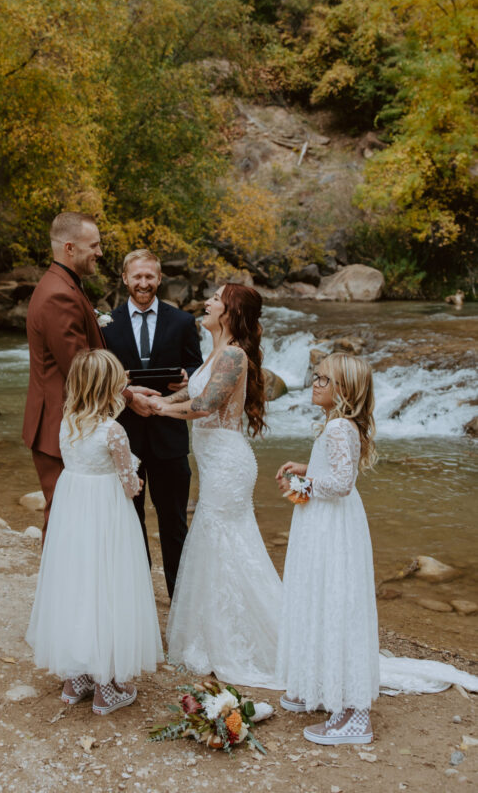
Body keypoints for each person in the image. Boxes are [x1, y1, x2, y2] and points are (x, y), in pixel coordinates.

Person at [149, 283, 282, 686]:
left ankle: (238, 640)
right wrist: (160, 401)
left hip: (227, 462)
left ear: (229, 311)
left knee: (223, 542)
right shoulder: (217, 352)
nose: (206, 302)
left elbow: (205, 405)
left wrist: (159, 409)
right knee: (215, 543)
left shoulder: (233, 354)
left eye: (215, 298)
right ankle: (216, 633)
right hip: (215, 461)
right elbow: (196, 394)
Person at [25, 349, 163, 715]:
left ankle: (77, 679)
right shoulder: (113, 430)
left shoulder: (67, 420)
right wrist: (133, 469)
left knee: (78, 586)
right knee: (107, 587)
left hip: (73, 518)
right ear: (109, 388)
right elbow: (131, 486)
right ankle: (106, 687)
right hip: (107, 518)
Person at [22, 212, 154, 536]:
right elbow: (80, 367)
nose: (100, 252)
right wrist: (130, 396)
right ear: (69, 247)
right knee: (64, 517)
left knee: (74, 516)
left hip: (69, 423)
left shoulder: (66, 284)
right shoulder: (59, 294)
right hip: (58, 424)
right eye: (93, 245)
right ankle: (59, 587)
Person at [274, 353, 380, 745]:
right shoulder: (338, 425)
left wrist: (302, 487)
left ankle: (354, 715)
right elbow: (334, 472)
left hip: (331, 524)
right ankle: (322, 687)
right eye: (315, 377)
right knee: (321, 598)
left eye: (324, 379)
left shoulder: (338, 427)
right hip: (329, 521)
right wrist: (306, 469)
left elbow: (341, 484)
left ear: (344, 391)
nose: (315, 383)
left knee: (336, 601)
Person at [103, 249, 202, 598]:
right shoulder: (106, 325)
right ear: (125, 279)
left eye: (149, 276)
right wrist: (121, 385)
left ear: (159, 279)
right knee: (130, 523)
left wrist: (185, 378)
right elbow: (98, 378)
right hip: (124, 439)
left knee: (174, 522)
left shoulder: (182, 322)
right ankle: (139, 602)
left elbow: (197, 368)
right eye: (137, 277)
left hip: (170, 437)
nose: (143, 283)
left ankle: (181, 601)